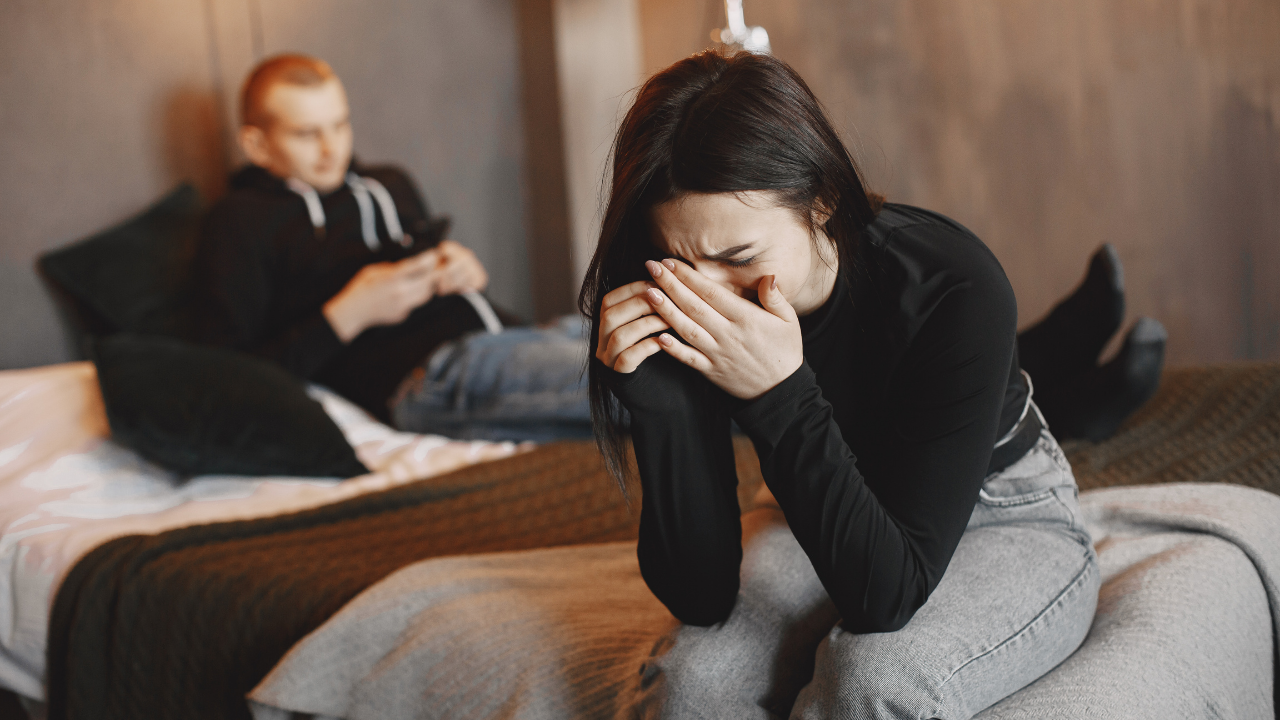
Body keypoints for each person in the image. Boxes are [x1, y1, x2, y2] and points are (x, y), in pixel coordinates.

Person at [584, 50, 1110, 718]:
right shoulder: (675, 300)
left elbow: (884, 598)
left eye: (739, 257)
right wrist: (659, 403)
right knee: (694, 683)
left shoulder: (952, 283)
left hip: (999, 509)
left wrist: (778, 391)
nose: (709, 298)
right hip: (815, 495)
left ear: (823, 201)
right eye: (681, 263)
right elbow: (701, 597)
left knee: (869, 677)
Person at [194, 54, 592, 442]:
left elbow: (445, 281)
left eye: (340, 125)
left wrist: (466, 272)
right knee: (639, 382)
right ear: (257, 145)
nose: (332, 148)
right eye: (307, 134)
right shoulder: (238, 222)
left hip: (516, 334)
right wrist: (348, 314)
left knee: (647, 340)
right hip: (431, 372)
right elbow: (232, 378)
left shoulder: (390, 182)